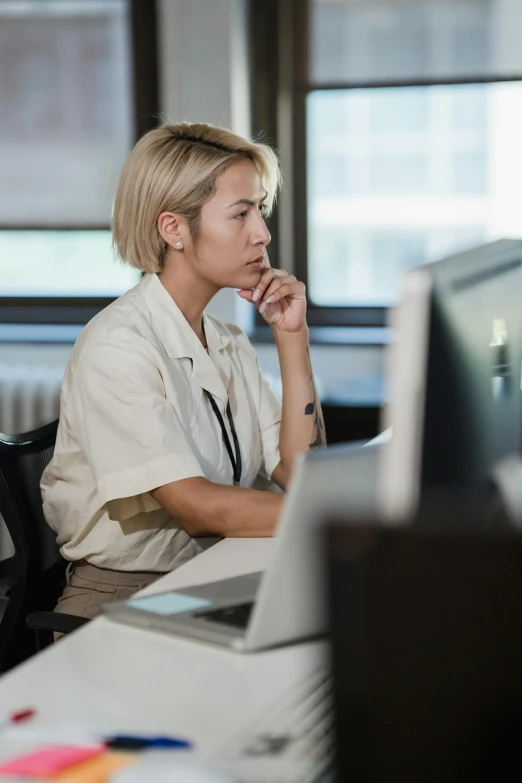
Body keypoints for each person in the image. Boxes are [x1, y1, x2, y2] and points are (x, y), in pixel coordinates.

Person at [41, 122, 326, 623]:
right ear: (173, 229)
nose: (262, 233)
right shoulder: (118, 346)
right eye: (240, 213)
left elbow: (298, 471)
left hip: (216, 570)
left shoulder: (227, 340)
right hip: (124, 594)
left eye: (259, 209)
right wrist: (337, 520)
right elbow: (196, 508)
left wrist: (292, 337)